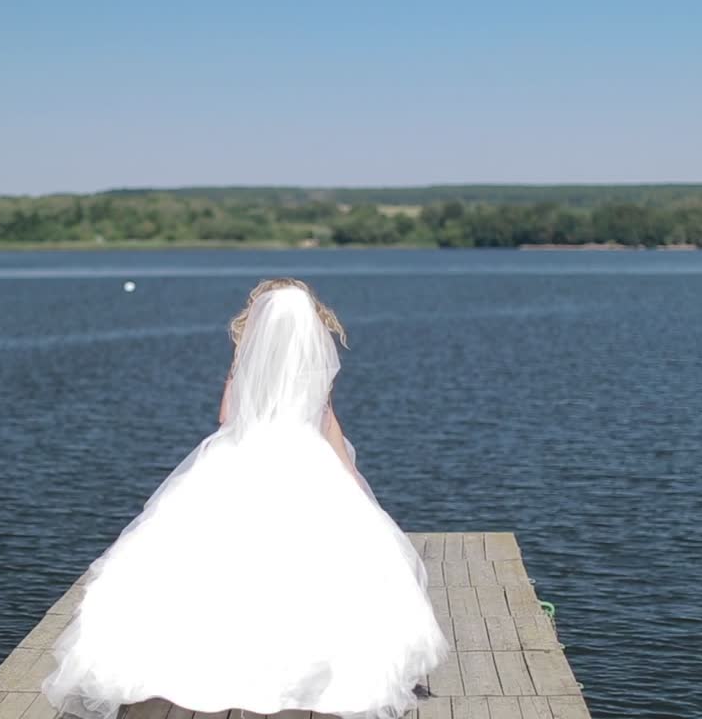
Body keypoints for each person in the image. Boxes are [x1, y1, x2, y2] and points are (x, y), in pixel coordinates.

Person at [42, 278, 448, 719]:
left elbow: (226, 416)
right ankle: (311, 672)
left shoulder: (246, 354)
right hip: (305, 457)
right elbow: (327, 419)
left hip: (245, 450)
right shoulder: (315, 357)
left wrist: (241, 376)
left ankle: (204, 666)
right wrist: (351, 478)